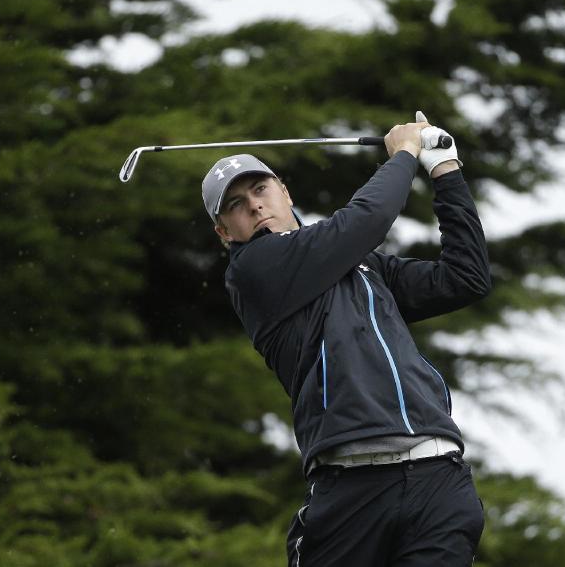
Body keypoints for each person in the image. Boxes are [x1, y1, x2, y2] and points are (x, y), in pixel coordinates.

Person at [201, 112, 492, 566]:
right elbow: (368, 218)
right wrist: (403, 156)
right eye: (236, 205)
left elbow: (465, 278)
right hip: (351, 489)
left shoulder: (366, 267)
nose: (255, 206)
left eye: (260, 190)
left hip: (438, 477)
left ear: (284, 192)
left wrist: (446, 171)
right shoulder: (253, 271)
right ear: (224, 233)